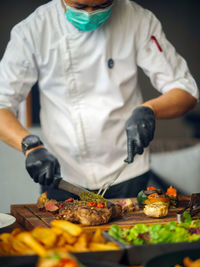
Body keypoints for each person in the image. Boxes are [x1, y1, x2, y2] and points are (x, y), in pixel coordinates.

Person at [0, 0, 198, 201]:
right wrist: (30, 145)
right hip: (62, 175)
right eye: (79, 6)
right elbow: (2, 104)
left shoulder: (138, 19)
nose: (89, 14)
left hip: (127, 170)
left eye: (102, 6)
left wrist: (149, 109)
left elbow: (186, 90)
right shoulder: (32, 29)